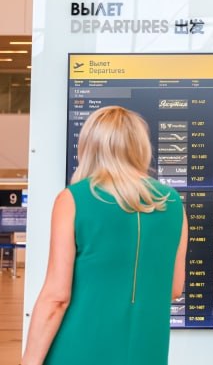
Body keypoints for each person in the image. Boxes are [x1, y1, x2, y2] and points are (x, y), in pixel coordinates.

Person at [22, 106, 188, 365]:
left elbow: (56, 298)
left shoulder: (74, 199)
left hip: (78, 351)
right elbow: (175, 288)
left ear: (90, 146)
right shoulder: (173, 203)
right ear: (140, 146)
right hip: (146, 353)